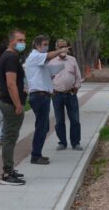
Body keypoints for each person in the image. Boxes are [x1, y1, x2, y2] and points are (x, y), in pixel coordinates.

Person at [25, 35, 70, 165]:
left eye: (47, 44)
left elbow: (42, 74)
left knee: (43, 127)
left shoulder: (39, 59)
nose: (46, 47)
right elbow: (49, 55)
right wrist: (61, 51)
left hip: (43, 95)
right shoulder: (35, 56)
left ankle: (37, 154)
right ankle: (35, 156)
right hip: (39, 96)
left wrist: (51, 74)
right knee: (41, 127)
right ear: (37, 45)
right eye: (44, 44)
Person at [0, 30, 27, 185]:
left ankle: (10, 168)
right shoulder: (10, 58)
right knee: (9, 137)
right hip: (10, 104)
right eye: (20, 40)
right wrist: (17, 104)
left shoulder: (10, 56)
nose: (22, 43)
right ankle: (7, 173)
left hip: (9, 102)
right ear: (11, 41)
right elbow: (10, 83)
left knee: (11, 136)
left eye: (24, 40)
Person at [48, 39, 83, 151]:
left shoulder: (72, 60)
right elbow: (47, 78)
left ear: (68, 48)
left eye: (65, 47)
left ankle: (76, 142)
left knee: (75, 120)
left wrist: (77, 87)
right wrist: (50, 90)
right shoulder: (51, 61)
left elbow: (78, 76)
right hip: (57, 95)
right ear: (56, 48)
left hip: (71, 94)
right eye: (60, 47)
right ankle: (62, 142)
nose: (63, 49)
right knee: (59, 120)